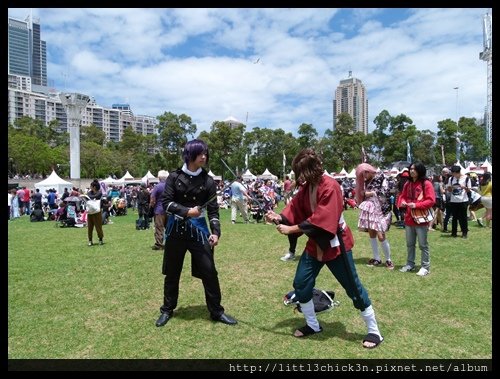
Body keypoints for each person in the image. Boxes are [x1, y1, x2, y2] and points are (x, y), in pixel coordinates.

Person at [265, 148, 383, 348]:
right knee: (301, 284)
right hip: (315, 245)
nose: (298, 177)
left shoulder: (331, 186)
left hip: (336, 245)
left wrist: (291, 228)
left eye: (300, 172)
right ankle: (313, 325)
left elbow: (322, 221)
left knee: (353, 288)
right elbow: (294, 208)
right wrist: (279, 217)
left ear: (310, 170)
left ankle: (374, 332)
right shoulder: (306, 188)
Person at [155, 139, 237, 327]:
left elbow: (214, 211)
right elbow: (166, 202)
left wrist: (216, 232)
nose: (204, 156)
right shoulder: (174, 177)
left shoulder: (208, 181)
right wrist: (186, 211)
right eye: (200, 153)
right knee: (172, 273)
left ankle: (216, 311)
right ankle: (167, 310)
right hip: (176, 231)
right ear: (189, 155)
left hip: (199, 233)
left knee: (209, 272)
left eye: (205, 153)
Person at [398, 162, 435, 276]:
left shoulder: (426, 183)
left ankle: (425, 267)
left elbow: (431, 200)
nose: (411, 171)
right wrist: (402, 203)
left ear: (420, 170)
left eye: (414, 169)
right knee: (410, 244)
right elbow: (402, 196)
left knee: (423, 244)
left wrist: (416, 205)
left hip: (421, 219)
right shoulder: (407, 184)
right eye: (410, 169)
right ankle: (410, 263)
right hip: (409, 218)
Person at [355, 163, 394, 270]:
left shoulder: (381, 177)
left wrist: (371, 193)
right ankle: (377, 258)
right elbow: (362, 193)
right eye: (362, 174)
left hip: (380, 209)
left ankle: (388, 259)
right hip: (369, 209)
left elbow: (386, 191)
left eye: (365, 173)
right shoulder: (364, 181)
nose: (364, 176)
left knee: (381, 235)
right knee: (372, 234)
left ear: (369, 170)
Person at [446, 165, 471, 238]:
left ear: (458, 172)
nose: (453, 175)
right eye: (452, 173)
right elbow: (449, 190)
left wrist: (464, 187)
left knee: (463, 218)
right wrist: (450, 188)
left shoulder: (466, 178)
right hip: (453, 201)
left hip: (463, 200)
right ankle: (454, 233)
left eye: (454, 173)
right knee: (454, 217)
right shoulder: (451, 179)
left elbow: (469, 190)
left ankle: (464, 232)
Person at [150, 170, 169, 250]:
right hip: (169, 210)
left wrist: (152, 206)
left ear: (159, 177)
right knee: (169, 228)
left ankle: (159, 244)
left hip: (159, 210)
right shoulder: (170, 186)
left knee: (159, 227)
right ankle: (170, 243)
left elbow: (152, 199)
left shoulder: (157, 186)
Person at [86, 179, 104, 246]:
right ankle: (90, 240)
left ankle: (100, 239)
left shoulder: (99, 193)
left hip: (97, 211)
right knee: (90, 227)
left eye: (91, 186)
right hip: (90, 212)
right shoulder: (89, 192)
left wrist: (90, 197)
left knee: (98, 226)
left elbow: (94, 197)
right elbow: (89, 196)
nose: (90, 187)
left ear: (94, 187)